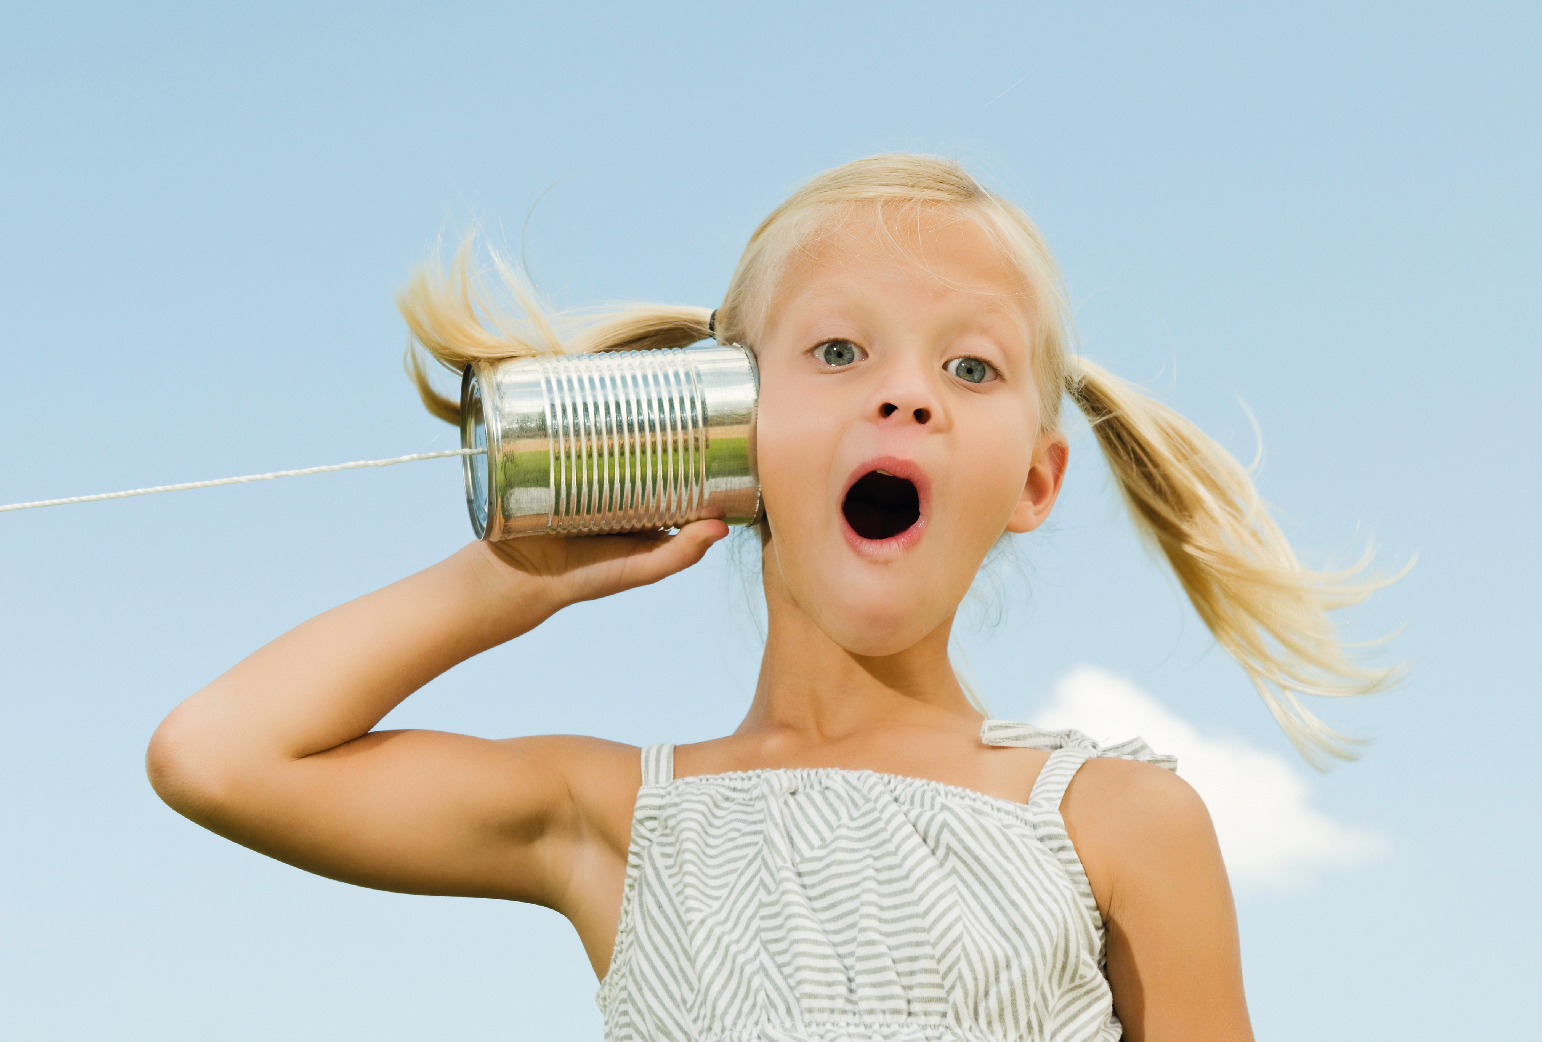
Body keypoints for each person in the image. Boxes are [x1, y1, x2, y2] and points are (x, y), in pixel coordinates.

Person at [148, 155, 1395, 1042]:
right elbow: (219, 755)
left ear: (1033, 478)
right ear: (727, 425)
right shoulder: (616, 819)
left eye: (969, 365)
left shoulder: (1124, 822)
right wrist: (512, 574)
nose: (905, 395)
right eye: (839, 351)